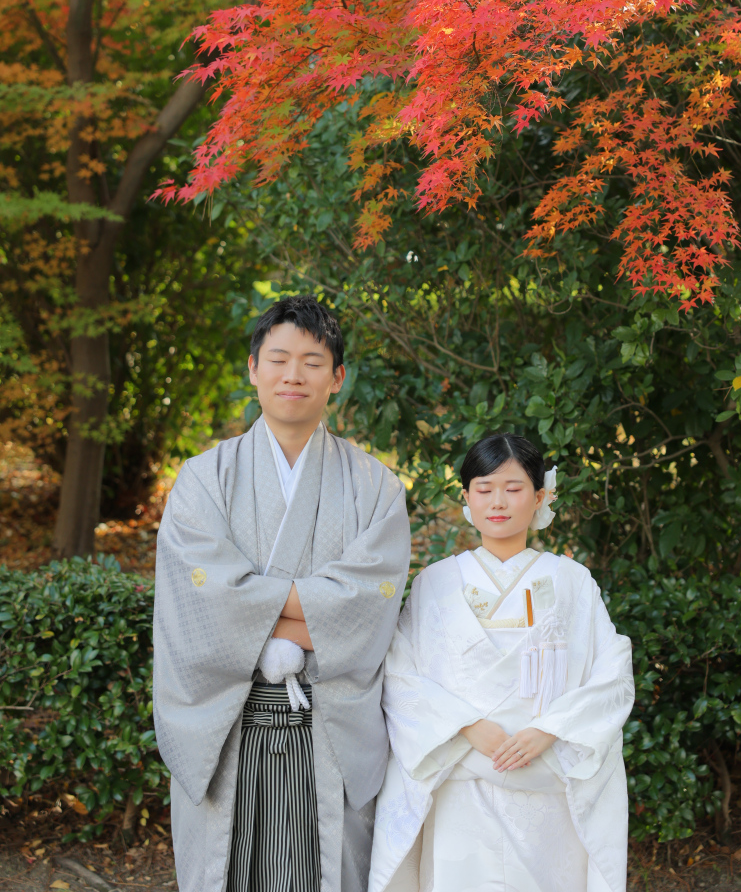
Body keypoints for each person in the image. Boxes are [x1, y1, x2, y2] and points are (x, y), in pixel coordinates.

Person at [153, 296, 411, 892]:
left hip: (328, 725)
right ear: (253, 369)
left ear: (337, 378)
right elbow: (198, 603)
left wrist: (254, 609)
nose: (294, 375)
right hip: (228, 724)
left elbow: (369, 601)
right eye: (279, 359)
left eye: (313, 362)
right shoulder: (201, 479)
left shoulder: (376, 487)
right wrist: (314, 608)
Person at [368, 433, 634, 892]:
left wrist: (550, 729)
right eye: (484, 488)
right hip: (461, 780)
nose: (498, 502)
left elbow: (611, 675)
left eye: (513, 489)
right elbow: (399, 674)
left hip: (547, 777)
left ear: (540, 496)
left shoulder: (573, 582)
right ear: (466, 498)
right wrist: (467, 726)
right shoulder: (435, 584)